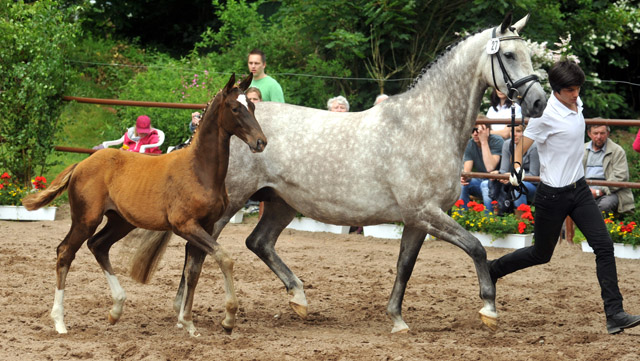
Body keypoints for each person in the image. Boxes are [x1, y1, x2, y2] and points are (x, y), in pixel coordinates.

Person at [489, 60, 640, 334]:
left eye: (578, 88)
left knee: (604, 247)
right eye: (571, 90)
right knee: (541, 254)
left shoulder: (577, 104)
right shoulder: (544, 115)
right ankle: (493, 269)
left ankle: (614, 313)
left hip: (579, 190)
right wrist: (516, 167)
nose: (576, 94)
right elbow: (521, 145)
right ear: (556, 90)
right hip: (552, 196)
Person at [583, 124, 635, 215]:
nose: (599, 137)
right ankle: (567, 229)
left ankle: (597, 229)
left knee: (605, 205)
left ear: (608, 133)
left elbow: (620, 176)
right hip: (584, 189)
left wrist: (600, 191)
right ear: (589, 134)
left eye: (602, 133)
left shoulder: (617, 151)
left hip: (609, 191)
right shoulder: (581, 149)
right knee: (564, 201)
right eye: (595, 133)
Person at [460, 123, 504, 212]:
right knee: (462, 184)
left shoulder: (497, 140)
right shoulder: (470, 143)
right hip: (481, 180)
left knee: (485, 185)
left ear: (487, 131)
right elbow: (467, 171)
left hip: (498, 183)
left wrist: (484, 141)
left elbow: (490, 167)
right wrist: (464, 178)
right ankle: (462, 217)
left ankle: (489, 221)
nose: (475, 134)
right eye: (473, 130)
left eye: (478, 131)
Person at [495, 124, 539, 212]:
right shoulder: (507, 144)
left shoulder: (534, 146)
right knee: (485, 184)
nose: (514, 134)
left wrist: (513, 176)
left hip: (534, 186)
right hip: (514, 180)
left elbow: (534, 176)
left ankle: (521, 222)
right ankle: (490, 220)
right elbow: (503, 170)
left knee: (518, 186)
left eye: (518, 131)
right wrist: (500, 175)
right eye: (511, 131)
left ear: (526, 133)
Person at [93, 115, 164, 154]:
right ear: (136, 128)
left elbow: (154, 152)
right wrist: (123, 149)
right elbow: (126, 146)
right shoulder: (130, 135)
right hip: (128, 157)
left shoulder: (152, 137)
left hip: (142, 159)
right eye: (141, 131)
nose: (142, 134)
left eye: (145, 132)